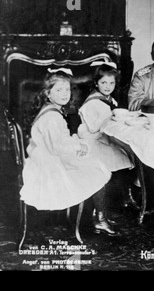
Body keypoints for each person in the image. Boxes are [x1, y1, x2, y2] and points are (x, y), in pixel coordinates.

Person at [19, 68, 118, 236]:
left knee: (92, 161)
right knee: (97, 167)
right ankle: (100, 219)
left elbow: (58, 141)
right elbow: (56, 147)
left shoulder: (51, 110)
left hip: (46, 157)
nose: (64, 94)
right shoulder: (52, 117)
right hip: (48, 167)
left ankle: (99, 215)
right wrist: (78, 146)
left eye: (66, 89)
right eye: (58, 90)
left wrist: (76, 143)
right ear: (48, 93)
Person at [78, 61, 136, 213]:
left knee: (129, 153)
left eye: (111, 83)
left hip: (104, 139)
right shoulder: (93, 102)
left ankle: (125, 197)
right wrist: (110, 116)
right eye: (103, 82)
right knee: (123, 155)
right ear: (96, 83)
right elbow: (93, 127)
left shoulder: (109, 99)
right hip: (93, 142)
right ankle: (105, 208)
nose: (107, 86)